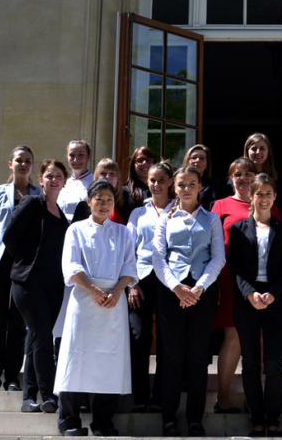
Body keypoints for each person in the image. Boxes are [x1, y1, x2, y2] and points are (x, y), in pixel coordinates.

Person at [53, 180, 137, 437]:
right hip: (84, 299)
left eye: (109, 199)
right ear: (89, 201)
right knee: (75, 356)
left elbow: (129, 266)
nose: (104, 204)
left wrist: (117, 290)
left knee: (111, 360)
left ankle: (103, 421)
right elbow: (71, 266)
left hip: (114, 302)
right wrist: (92, 289)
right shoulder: (76, 230)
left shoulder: (123, 232)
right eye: (99, 198)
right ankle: (69, 419)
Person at [152, 165, 225, 437]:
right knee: (172, 357)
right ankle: (168, 419)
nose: (186, 189)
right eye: (181, 184)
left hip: (202, 294)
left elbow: (218, 257)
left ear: (199, 186)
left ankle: (195, 420)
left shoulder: (212, 218)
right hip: (171, 292)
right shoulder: (165, 218)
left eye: (192, 184)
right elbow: (157, 257)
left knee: (197, 357)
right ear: (175, 187)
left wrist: (200, 287)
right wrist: (176, 287)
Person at [211, 158, 282, 413]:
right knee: (233, 336)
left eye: (248, 174)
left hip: (263, 283)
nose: (243, 178)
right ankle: (223, 397)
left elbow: (279, 244)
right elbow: (211, 245)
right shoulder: (220, 205)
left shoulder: (268, 204)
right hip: (230, 279)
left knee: (259, 339)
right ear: (231, 178)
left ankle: (256, 400)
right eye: (237, 174)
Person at [228, 174, 282, 437]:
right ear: (251, 197)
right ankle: (257, 419)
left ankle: (273, 419)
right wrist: (250, 294)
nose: (263, 198)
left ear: (274, 196)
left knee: (274, 362)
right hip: (247, 300)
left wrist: (274, 294)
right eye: (259, 194)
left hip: (275, 300)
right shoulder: (238, 229)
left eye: (268, 193)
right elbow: (235, 267)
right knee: (251, 362)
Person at [4, 159, 70, 414]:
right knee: (43, 336)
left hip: (53, 285)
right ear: (41, 179)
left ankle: (28, 397)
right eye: (49, 176)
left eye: (58, 176)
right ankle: (49, 394)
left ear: (65, 181)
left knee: (37, 337)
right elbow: (10, 236)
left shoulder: (61, 215)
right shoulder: (32, 203)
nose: (54, 180)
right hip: (29, 282)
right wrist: (24, 261)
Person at [0, 146, 40, 394]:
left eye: (28, 161)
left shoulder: (38, 194)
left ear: (33, 166)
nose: (23, 164)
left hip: (25, 264)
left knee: (18, 321)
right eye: (19, 160)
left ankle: (13, 377)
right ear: (10, 164)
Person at [126, 161, 174, 413]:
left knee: (167, 339)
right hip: (141, 279)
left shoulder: (178, 210)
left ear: (170, 182)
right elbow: (128, 249)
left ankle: (160, 398)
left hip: (169, 280)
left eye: (161, 180)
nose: (156, 184)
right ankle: (140, 396)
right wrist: (132, 284)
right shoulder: (138, 213)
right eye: (152, 180)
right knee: (139, 337)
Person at [72, 158, 124, 223]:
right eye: (103, 173)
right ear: (96, 177)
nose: (108, 177)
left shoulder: (126, 203)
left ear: (118, 178)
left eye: (112, 173)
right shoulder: (83, 207)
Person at [58, 140, 93, 222]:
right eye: (72, 155)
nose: (76, 160)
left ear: (89, 157)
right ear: (67, 157)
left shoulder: (96, 182)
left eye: (81, 155)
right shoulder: (62, 184)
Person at [183, 144, 225, 210]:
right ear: (187, 162)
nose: (197, 160)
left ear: (206, 164)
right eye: (194, 157)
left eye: (202, 158)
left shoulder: (214, 185)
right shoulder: (178, 183)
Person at [120, 146, 157, 223]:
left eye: (148, 160)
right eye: (140, 160)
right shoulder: (124, 192)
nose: (144, 163)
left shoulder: (161, 190)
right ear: (133, 165)